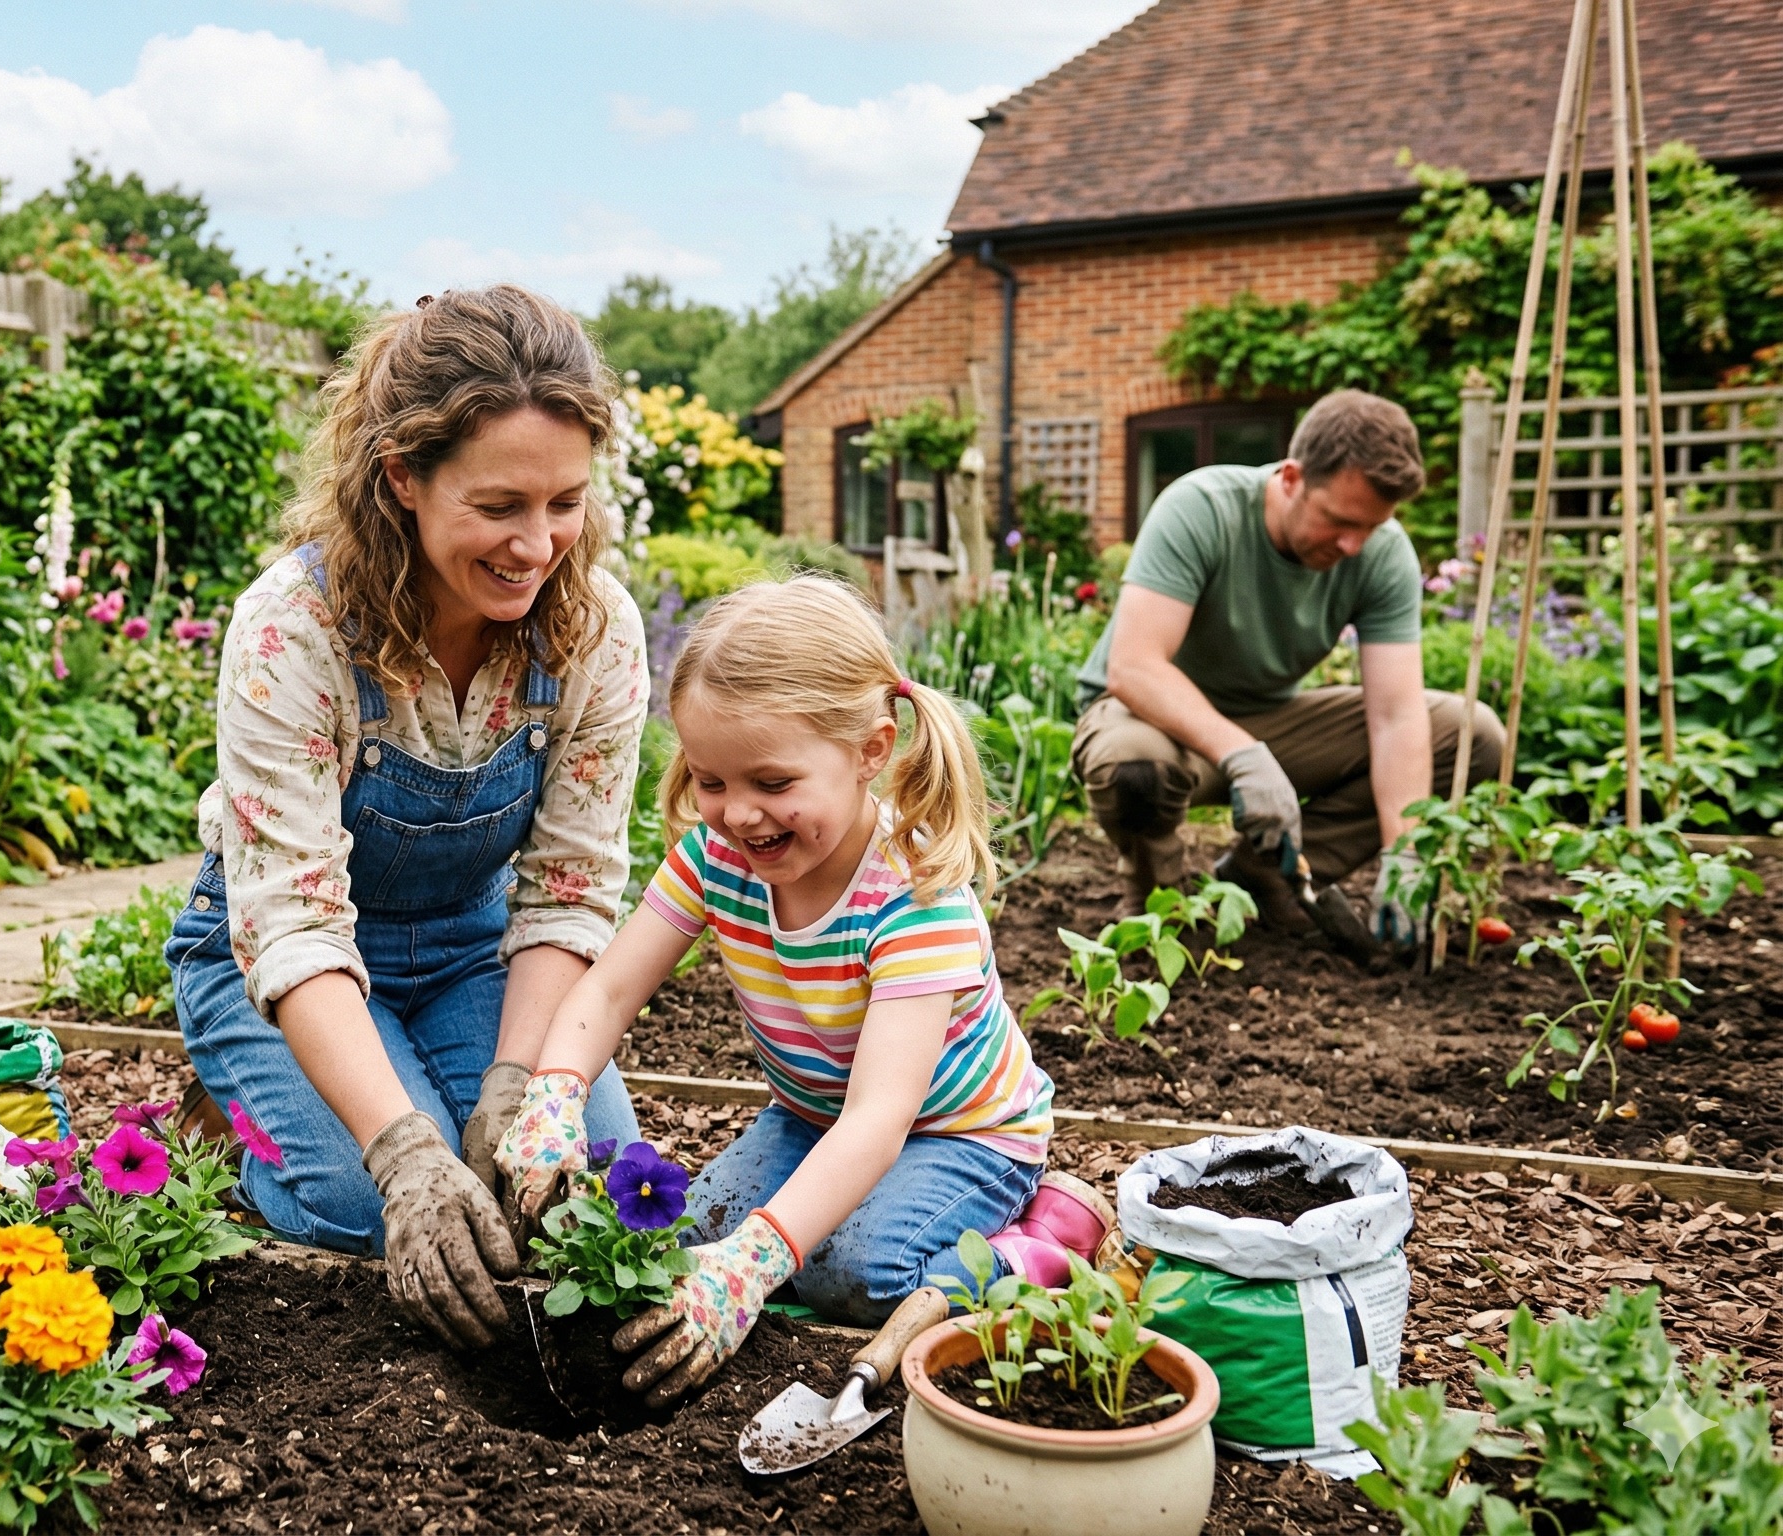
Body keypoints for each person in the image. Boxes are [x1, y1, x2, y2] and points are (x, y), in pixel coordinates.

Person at [164, 285, 647, 1350]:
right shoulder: (294, 629)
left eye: (563, 502)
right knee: (371, 1210)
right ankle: (238, 1122)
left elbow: (568, 886)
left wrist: (520, 1084)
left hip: (477, 950)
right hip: (276, 960)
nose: (537, 545)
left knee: (576, 1198)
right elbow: (289, 923)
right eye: (497, 506)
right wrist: (405, 1157)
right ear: (401, 479)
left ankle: (427, 1093)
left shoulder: (593, 630)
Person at [492, 576, 1110, 1407]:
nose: (740, 815)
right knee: (690, 1238)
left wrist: (757, 1263)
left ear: (870, 750)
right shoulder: (720, 862)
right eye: (711, 781)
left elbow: (880, 1119)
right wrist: (555, 1094)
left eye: (773, 784)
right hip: (815, 1116)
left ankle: (1043, 1243)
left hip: (963, 1133)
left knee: (852, 1275)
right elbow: (606, 995)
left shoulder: (912, 897)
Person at [1072, 389, 1503, 949]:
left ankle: (1264, 881)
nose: (1354, 545)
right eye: (1339, 521)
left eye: (1370, 528)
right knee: (1133, 768)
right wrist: (1240, 752)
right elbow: (1134, 668)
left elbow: (1397, 714)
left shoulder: (1382, 552)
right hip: (1150, 721)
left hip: (1272, 719)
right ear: (1292, 477)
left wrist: (1407, 850)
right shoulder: (1202, 507)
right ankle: (1163, 905)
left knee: (1472, 734)